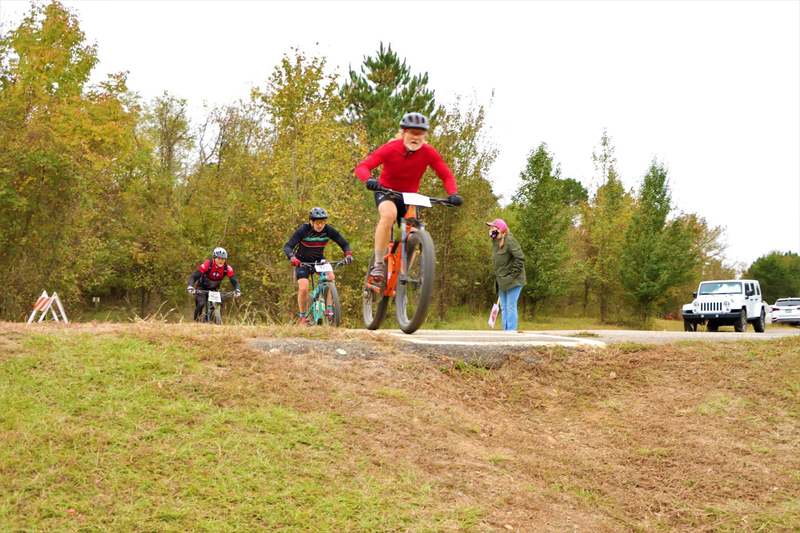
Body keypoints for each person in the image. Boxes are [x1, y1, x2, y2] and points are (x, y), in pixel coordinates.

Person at [354, 112, 463, 286]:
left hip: (409, 197)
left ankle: (401, 275)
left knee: (415, 233)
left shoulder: (428, 152)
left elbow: (446, 175)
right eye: (412, 132)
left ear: (425, 136)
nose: (416, 137)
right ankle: (378, 264)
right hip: (387, 192)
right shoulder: (391, 148)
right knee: (389, 215)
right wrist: (369, 180)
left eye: (420, 134)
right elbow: (363, 167)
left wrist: (453, 194)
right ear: (404, 132)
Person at [283, 207, 353, 325]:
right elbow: (288, 246)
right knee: (304, 287)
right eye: (317, 222)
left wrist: (348, 255)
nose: (320, 225)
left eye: (322, 222)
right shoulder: (303, 230)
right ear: (311, 222)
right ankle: (303, 317)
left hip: (319, 260)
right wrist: (292, 257)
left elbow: (344, 243)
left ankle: (329, 309)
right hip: (302, 262)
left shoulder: (328, 230)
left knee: (331, 277)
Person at [487, 218, 526, 332]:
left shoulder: (510, 240)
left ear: (501, 230)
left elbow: (520, 258)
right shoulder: (495, 241)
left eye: (493, 228)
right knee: (503, 307)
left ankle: (511, 332)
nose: (491, 230)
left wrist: (512, 276)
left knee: (510, 306)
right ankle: (506, 331)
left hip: (514, 280)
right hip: (501, 280)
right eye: (490, 228)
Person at [187, 247, 241, 321]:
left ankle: (215, 321)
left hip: (214, 289)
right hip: (201, 288)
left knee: (219, 305)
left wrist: (237, 289)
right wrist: (190, 286)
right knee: (201, 304)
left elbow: (234, 280)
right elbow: (194, 276)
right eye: (218, 258)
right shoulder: (207, 264)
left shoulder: (227, 268)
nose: (221, 261)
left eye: (223, 259)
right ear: (214, 258)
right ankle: (196, 321)